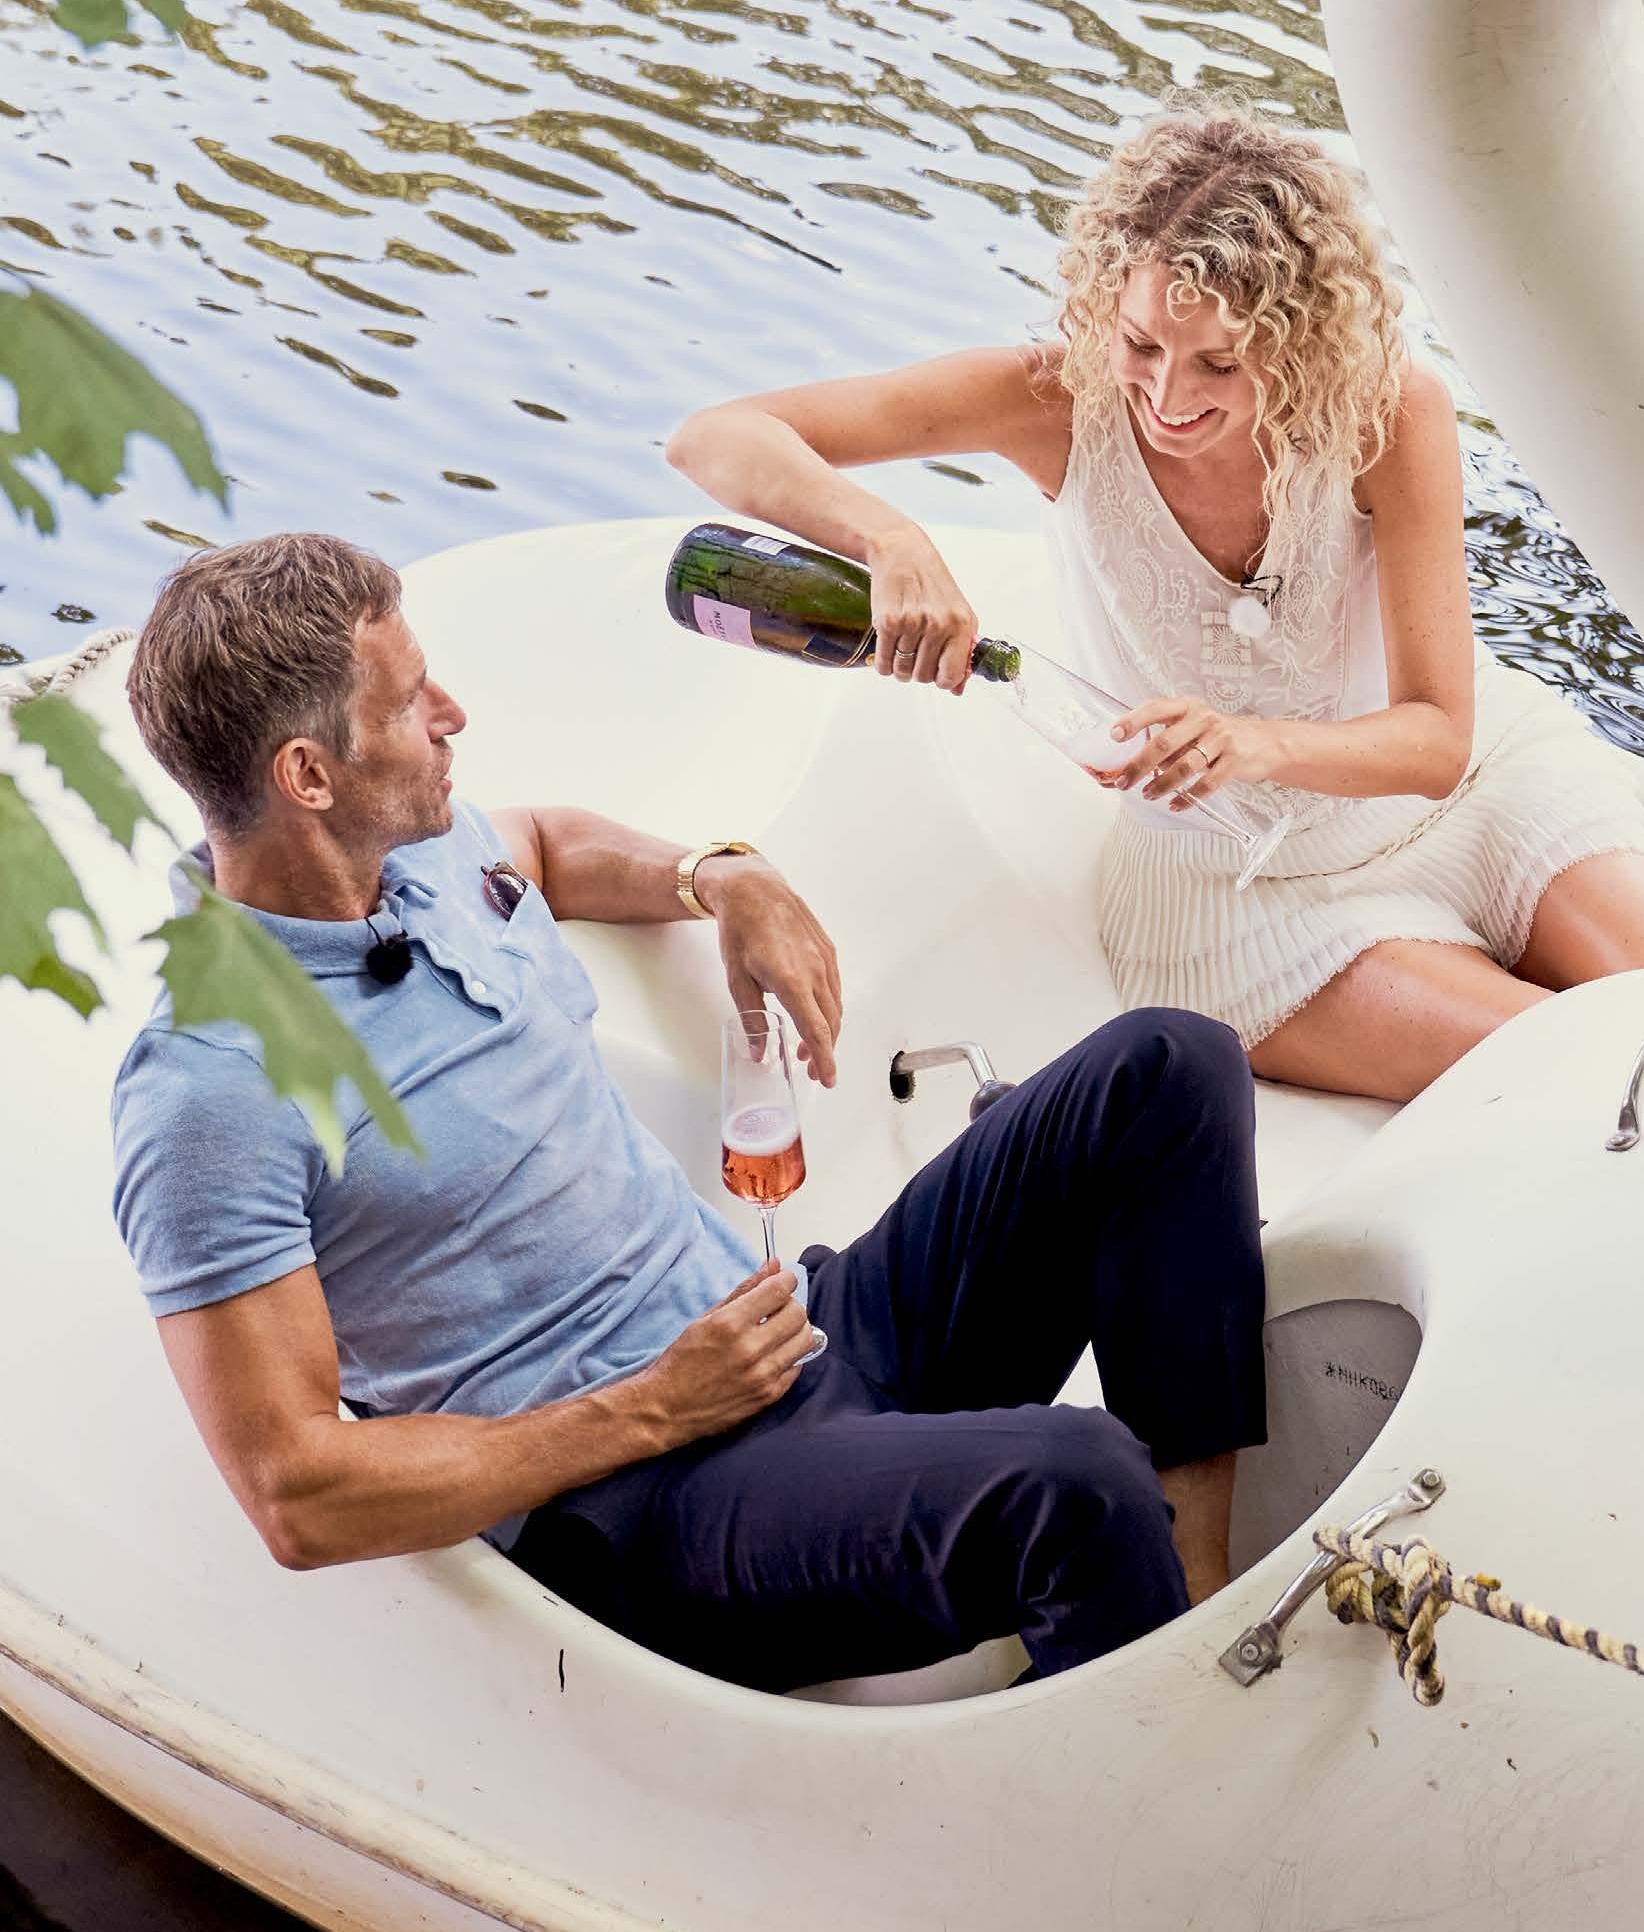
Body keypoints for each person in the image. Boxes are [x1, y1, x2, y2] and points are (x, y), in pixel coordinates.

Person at [108, 533, 1264, 1691]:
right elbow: (297, 1495)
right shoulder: (213, 1088)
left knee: (1168, 1065)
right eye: (411, 704)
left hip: (787, 1332)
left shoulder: (417, 854)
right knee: (1081, 1483)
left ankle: (1188, 1600)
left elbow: (544, 844)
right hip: (653, 1503)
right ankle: (1154, 1740)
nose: (453, 714)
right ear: (307, 777)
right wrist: (650, 1411)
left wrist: (724, 875)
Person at [668, 102, 1644, 1104]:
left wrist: (1251, 743)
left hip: (1478, 798)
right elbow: (714, 436)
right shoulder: (1053, 399)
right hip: (1239, 900)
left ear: (1299, 339)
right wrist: (889, 539)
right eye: (1140, 344)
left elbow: (1439, 740)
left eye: (1220, 361)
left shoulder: (1387, 413)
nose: (1167, 397)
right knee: (1579, 1070)